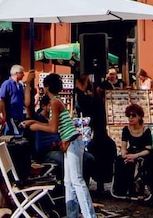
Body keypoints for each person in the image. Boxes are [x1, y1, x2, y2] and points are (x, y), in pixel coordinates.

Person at [21, 73, 96, 218]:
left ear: (47, 87)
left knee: (77, 181)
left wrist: (36, 126)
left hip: (72, 142)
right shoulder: (56, 101)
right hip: (71, 142)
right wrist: (33, 123)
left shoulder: (54, 102)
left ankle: (89, 215)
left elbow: (52, 129)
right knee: (68, 182)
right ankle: (71, 214)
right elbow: (51, 125)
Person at [113, 103, 153, 201]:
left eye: (133, 115)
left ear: (139, 116)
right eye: (129, 116)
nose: (130, 118)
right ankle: (121, 189)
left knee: (144, 162)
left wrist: (135, 156)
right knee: (119, 161)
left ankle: (141, 189)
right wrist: (124, 155)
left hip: (143, 152)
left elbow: (148, 149)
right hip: (131, 151)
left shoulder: (145, 130)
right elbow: (124, 145)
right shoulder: (126, 129)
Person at [0, 65, 26, 135]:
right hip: (10, 115)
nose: (24, 75)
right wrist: (3, 114)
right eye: (22, 73)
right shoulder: (7, 84)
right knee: (11, 134)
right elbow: (1, 100)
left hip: (19, 115)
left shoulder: (20, 85)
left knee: (18, 134)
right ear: (17, 73)